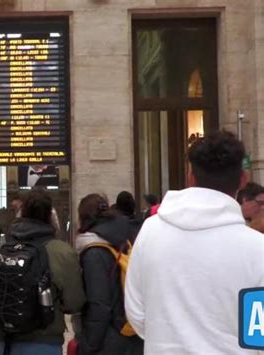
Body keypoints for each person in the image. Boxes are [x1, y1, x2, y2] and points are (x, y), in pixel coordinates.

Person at [125, 130, 264, 354]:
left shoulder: (151, 232)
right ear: (243, 179)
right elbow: (259, 334)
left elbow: (137, 314)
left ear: (191, 177)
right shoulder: (258, 249)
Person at [0, 189, 85, 355]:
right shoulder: (61, 252)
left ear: (21, 212)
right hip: (44, 342)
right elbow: (74, 303)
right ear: (50, 216)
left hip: (3, 343)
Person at [75, 193, 143, 355]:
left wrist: (89, 345)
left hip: (109, 338)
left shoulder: (95, 252)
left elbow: (99, 304)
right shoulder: (127, 240)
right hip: (134, 332)